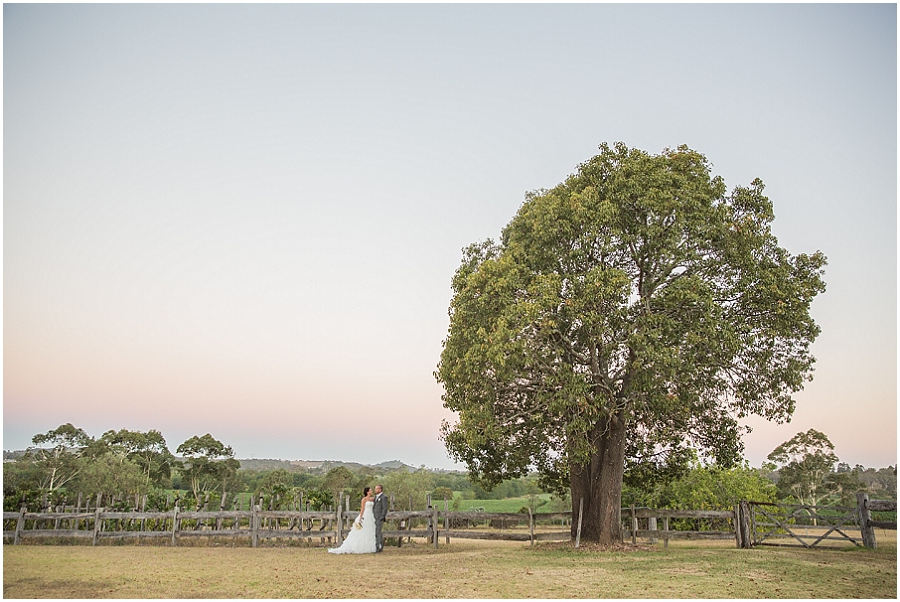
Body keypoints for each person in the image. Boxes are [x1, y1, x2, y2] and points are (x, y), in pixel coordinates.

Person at [327, 487, 376, 554]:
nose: (371, 491)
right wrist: (360, 518)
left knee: (369, 530)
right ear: (367, 492)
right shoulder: (364, 499)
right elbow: (362, 509)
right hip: (365, 515)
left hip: (371, 515)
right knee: (362, 531)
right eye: (370, 490)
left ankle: (369, 546)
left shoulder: (372, 499)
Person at [372, 483, 388, 553]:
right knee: (376, 533)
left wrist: (381, 517)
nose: (375, 490)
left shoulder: (383, 497)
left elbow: (385, 508)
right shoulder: (376, 497)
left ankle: (379, 547)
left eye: (376, 488)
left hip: (379, 518)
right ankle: (378, 546)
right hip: (374, 517)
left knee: (378, 533)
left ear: (380, 489)